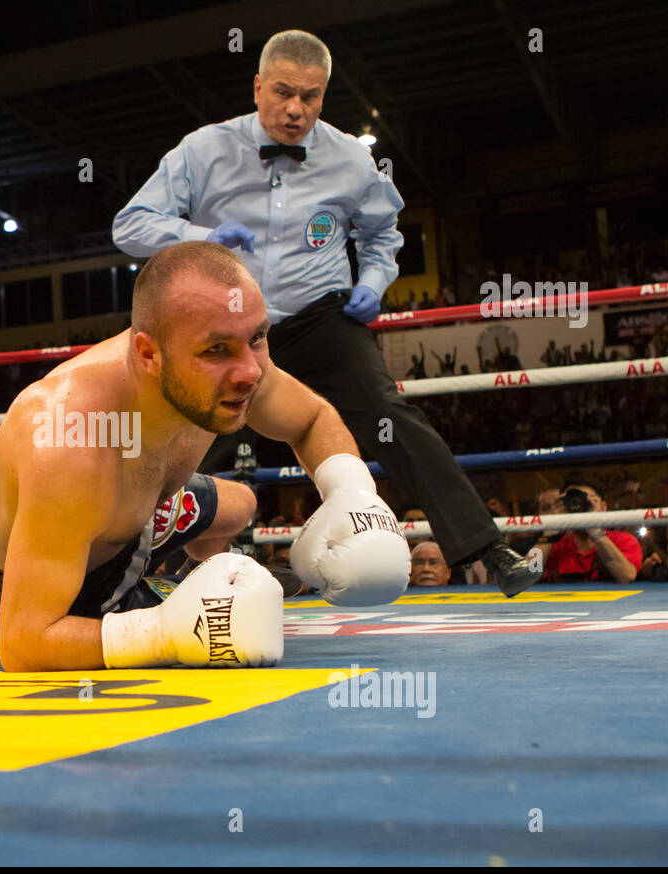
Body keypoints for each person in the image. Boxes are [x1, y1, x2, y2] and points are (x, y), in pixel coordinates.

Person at [112, 28, 538, 599]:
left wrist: (375, 280)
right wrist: (201, 235)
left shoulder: (351, 159)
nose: (295, 109)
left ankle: (487, 550)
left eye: (310, 96)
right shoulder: (203, 149)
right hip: (229, 327)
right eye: (283, 92)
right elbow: (130, 225)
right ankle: (155, 571)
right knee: (189, 442)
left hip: (321, 320)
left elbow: (384, 233)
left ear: (324, 94)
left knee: (390, 414)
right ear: (257, 86)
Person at [0, 242, 411, 672]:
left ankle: (198, 576)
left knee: (241, 505)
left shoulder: (233, 367)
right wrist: (166, 633)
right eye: (217, 350)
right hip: (34, 591)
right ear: (148, 354)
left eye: (257, 337)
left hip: (129, 512)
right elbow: (23, 642)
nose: (250, 373)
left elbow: (311, 418)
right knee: (171, 613)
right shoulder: (68, 444)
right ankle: (165, 603)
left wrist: (352, 493)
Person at [537, 477, 642, 584]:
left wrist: (595, 529)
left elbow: (626, 576)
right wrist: (550, 530)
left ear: (603, 507)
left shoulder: (624, 541)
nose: (579, 506)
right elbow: (525, 577)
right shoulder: (553, 547)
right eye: (572, 500)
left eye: (586, 501)